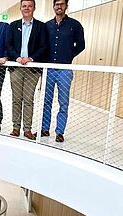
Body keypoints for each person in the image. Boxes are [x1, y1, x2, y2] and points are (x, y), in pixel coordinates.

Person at [41, 0, 85, 142]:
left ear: (66, 6)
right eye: (56, 4)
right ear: (53, 6)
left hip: (65, 70)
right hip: (49, 69)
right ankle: (44, 129)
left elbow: (81, 45)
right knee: (46, 101)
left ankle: (60, 132)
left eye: (62, 4)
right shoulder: (47, 25)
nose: (59, 6)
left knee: (63, 102)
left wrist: (68, 55)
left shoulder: (75, 25)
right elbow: (42, 45)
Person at [6, 0, 48, 140]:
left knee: (28, 99)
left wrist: (31, 59)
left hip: (32, 69)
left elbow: (44, 47)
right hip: (16, 67)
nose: (27, 8)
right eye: (24, 6)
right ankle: (16, 128)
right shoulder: (13, 26)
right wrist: (17, 57)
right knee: (16, 99)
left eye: (30, 6)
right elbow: (9, 45)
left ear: (34, 8)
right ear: (20, 8)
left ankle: (27, 129)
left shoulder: (41, 27)